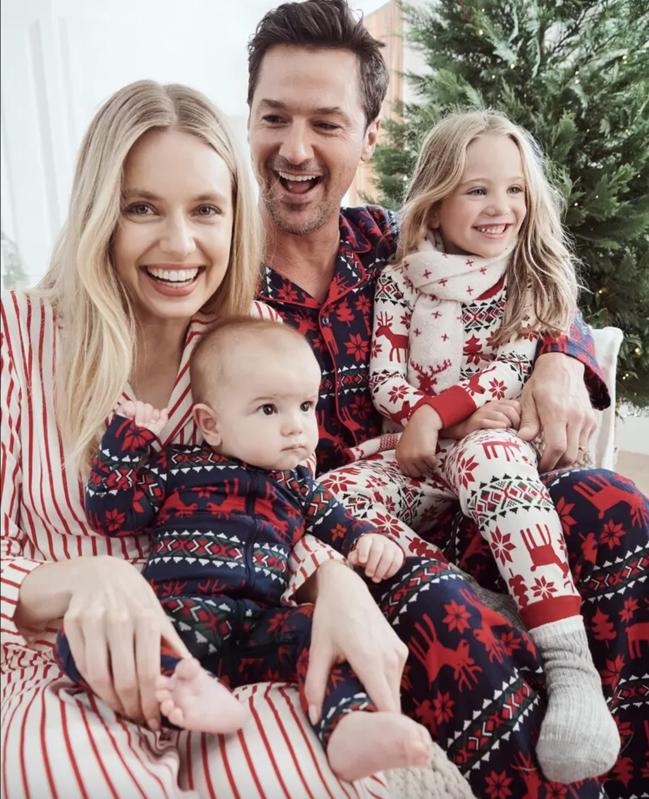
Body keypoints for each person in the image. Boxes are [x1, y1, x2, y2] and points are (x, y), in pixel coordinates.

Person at [247, 1, 649, 796]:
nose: (295, 148)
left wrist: (559, 358)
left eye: (326, 123)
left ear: (367, 138)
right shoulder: (219, 278)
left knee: (614, 505)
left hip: (470, 478)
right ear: (249, 119)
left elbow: (517, 274)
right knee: (455, 614)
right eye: (274, 117)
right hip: (348, 530)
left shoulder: (395, 241)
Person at [1, 79, 420, 799]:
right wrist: (83, 579)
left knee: (310, 778)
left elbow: (279, 497)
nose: (179, 244)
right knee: (78, 775)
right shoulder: (17, 333)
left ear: (234, 216)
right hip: (54, 662)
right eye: (141, 208)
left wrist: (336, 582)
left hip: (234, 641)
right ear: (100, 212)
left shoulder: (253, 336)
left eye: (205, 209)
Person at [54, 317, 433, 783]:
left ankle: (347, 726)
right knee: (83, 636)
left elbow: (343, 526)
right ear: (210, 424)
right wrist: (126, 442)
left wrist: (368, 542)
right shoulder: (179, 468)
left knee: (324, 634)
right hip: (182, 616)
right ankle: (180, 685)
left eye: (306, 406)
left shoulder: (299, 486)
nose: (295, 427)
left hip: (259, 627)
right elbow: (111, 515)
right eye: (269, 409)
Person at [362, 109, 620, 782]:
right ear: (434, 200)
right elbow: (384, 378)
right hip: (417, 458)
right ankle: (490, 601)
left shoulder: (526, 282)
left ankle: (567, 664)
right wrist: (426, 419)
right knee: (334, 495)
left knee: (489, 452)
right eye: (477, 190)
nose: (500, 207)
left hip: (492, 456)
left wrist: (441, 413)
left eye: (514, 190)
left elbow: (507, 372)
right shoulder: (399, 280)